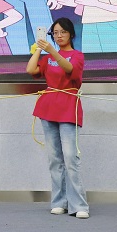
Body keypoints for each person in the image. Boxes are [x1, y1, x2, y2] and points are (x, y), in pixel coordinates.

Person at [26, 17, 89, 219]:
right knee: (55, 159)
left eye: (63, 32)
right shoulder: (47, 58)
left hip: (69, 108)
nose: (59, 36)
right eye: (55, 33)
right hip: (48, 108)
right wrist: (39, 49)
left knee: (71, 158)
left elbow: (70, 70)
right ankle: (59, 202)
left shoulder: (77, 55)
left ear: (71, 34)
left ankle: (79, 205)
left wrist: (51, 50)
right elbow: (31, 70)